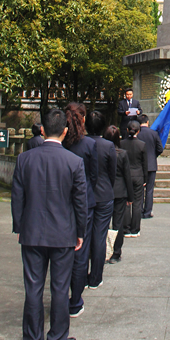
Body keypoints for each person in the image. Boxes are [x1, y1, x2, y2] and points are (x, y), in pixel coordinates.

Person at [11, 108, 87, 340]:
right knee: (59, 287)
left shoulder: (25, 159)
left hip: (32, 232)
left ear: (42, 130)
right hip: (63, 232)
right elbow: (80, 202)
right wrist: (80, 232)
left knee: (33, 286)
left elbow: (17, 197)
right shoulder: (74, 162)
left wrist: (20, 226)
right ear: (65, 131)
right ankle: (56, 338)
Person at [63, 102, 98, 317]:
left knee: (62, 252)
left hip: (61, 201)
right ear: (82, 119)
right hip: (83, 203)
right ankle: (75, 300)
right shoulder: (88, 145)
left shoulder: (61, 144)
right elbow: (93, 176)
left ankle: (61, 295)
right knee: (80, 252)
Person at [86, 111, 116, 289]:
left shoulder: (81, 143)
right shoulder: (108, 146)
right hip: (104, 194)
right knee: (99, 236)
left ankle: (81, 275)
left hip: (85, 195)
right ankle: (96, 277)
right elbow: (112, 172)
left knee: (84, 234)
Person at [104, 126, 133, 264]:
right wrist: (130, 196)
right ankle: (116, 252)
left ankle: (103, 250)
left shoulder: (102, 152)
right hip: (120, 191)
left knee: (103, 222)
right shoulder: (122, 154)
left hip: (105, 190)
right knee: (118, 222)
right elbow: (127, 175)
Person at [121, 120, 148, 237]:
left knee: (126, 202)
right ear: (139, 131)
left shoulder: (122, 144)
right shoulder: (142, 145)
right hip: (138, 175)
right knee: (137, 202)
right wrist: (145, 179)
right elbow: (145, 164)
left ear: (127, 130)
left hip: (125, 175)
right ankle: (135, 229)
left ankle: (126, 228)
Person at [138, 114, 164, 219]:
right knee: (149, 190)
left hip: (139, 165)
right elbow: (160, 148)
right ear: (148, 122)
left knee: (139, 190)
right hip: (151, 165)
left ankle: (139, 211)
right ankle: (147, 211)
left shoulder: (137, 134)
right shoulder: (153, 133)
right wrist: (153, 156)